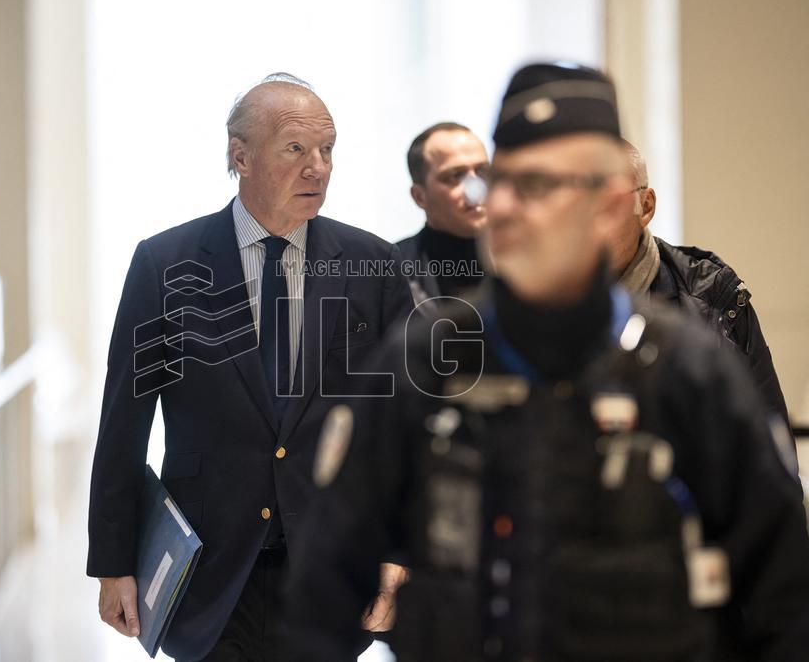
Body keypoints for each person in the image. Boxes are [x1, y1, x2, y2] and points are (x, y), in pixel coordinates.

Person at [286, 63, 809, 661]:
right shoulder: (427, 357)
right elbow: (321, 598)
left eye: (535, 185)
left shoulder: (686, 371)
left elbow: (784, 601)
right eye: (499, 180)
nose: (502, 206)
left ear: (612, 206)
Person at [87, 72, 414, 662]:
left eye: (327, 149)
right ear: (240, 155)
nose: (319, 167)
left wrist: (398, 556)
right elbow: (122, 425)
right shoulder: (165, 263)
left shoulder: (373, 264)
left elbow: (403, 431)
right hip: (207, 570)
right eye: (296, 149)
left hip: (329, 572)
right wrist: (113, 565)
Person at [612, 140, 791, 426]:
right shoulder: (531, 299)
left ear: (646, 206)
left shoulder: (712, 299)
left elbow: (767, 446)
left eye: (609, 202)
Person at [397, 122, 490, 308]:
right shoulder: (391, 272)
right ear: (419, 196)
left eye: (482, 171)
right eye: (455, 176)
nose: (476, 190)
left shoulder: (531, 257)